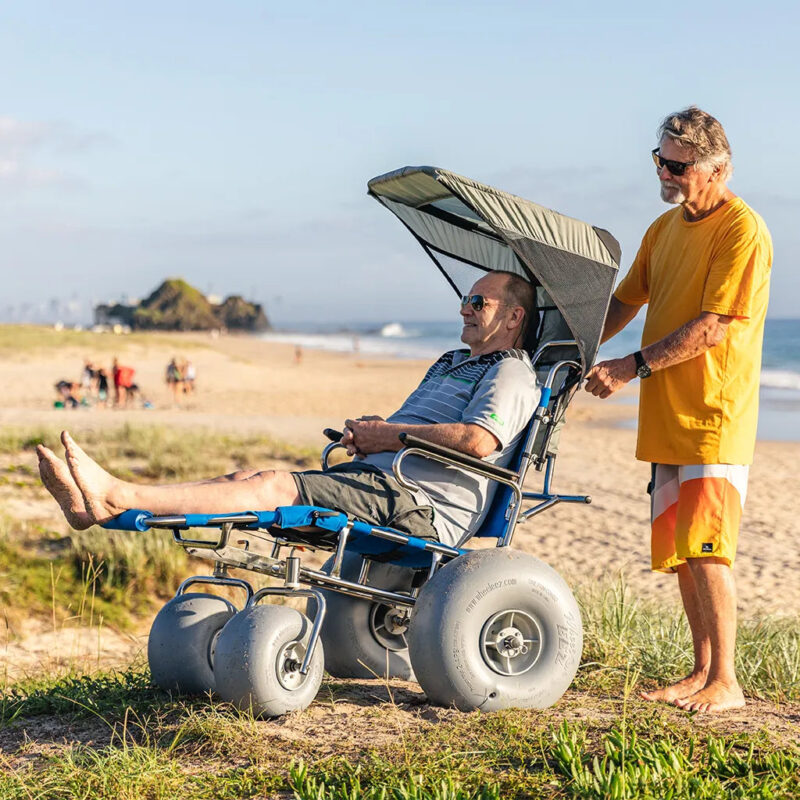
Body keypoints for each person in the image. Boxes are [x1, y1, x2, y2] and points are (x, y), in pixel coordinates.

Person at [38, 271, 539, 550]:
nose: (464, 309)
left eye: (479, 302)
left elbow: (477, 442)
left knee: (275, 486)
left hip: (419, 504)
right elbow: (411, 431)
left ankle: (119, 493)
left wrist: (386, 437)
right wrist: (370, 432)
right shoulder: (451, 362)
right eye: (465, 299)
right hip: (383, 482)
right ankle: (105, 510)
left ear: (514, 316)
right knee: (245, 477)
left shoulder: (512, 372)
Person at [584, 107, 772, 713]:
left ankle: (728, 681)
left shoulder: (742, 230)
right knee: (682, 552)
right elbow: (626, 300)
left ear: (718, 168)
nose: (664, 172)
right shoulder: (663, 230)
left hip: (713, 416)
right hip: (665, 417)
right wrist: (576, 346)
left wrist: (630, 367)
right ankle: (701, 671)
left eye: (677, 164)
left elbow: (712, 328)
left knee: (709, 548)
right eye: (659, 160)